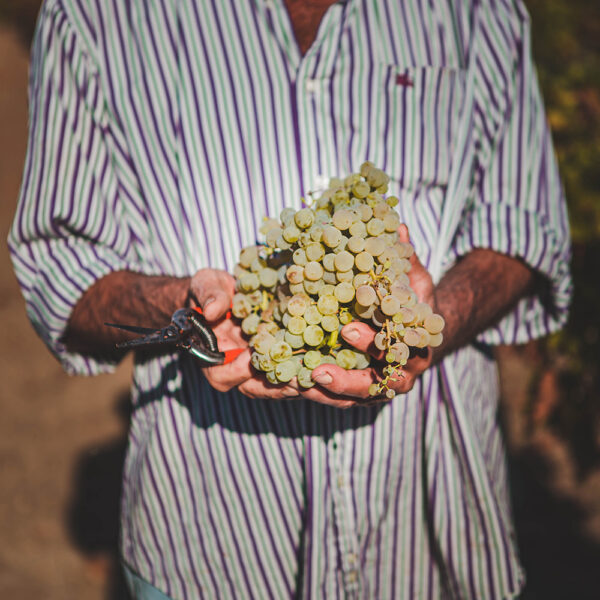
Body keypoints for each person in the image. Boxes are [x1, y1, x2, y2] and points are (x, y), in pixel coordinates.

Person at [9, 0, 571, 598]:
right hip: (213, 548)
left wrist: (438, 317)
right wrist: (185, 312)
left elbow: (521, 230)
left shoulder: (482, 12)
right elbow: (61, 271)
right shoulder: (96, 17)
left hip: (428, 539)